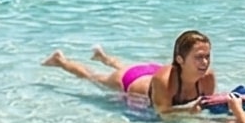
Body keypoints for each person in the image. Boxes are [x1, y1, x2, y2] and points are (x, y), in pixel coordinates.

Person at [43, 30, 216, 116]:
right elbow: (163, 113)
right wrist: (190, 110)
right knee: (93, 77)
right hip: (130, 80)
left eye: (207, 56)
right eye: (199, 57)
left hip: (152, 73)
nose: (205, 62)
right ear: (180, 59)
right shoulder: (164, 82)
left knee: (124, 66)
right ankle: (60, 61)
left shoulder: (207, 78)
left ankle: (105, 58)